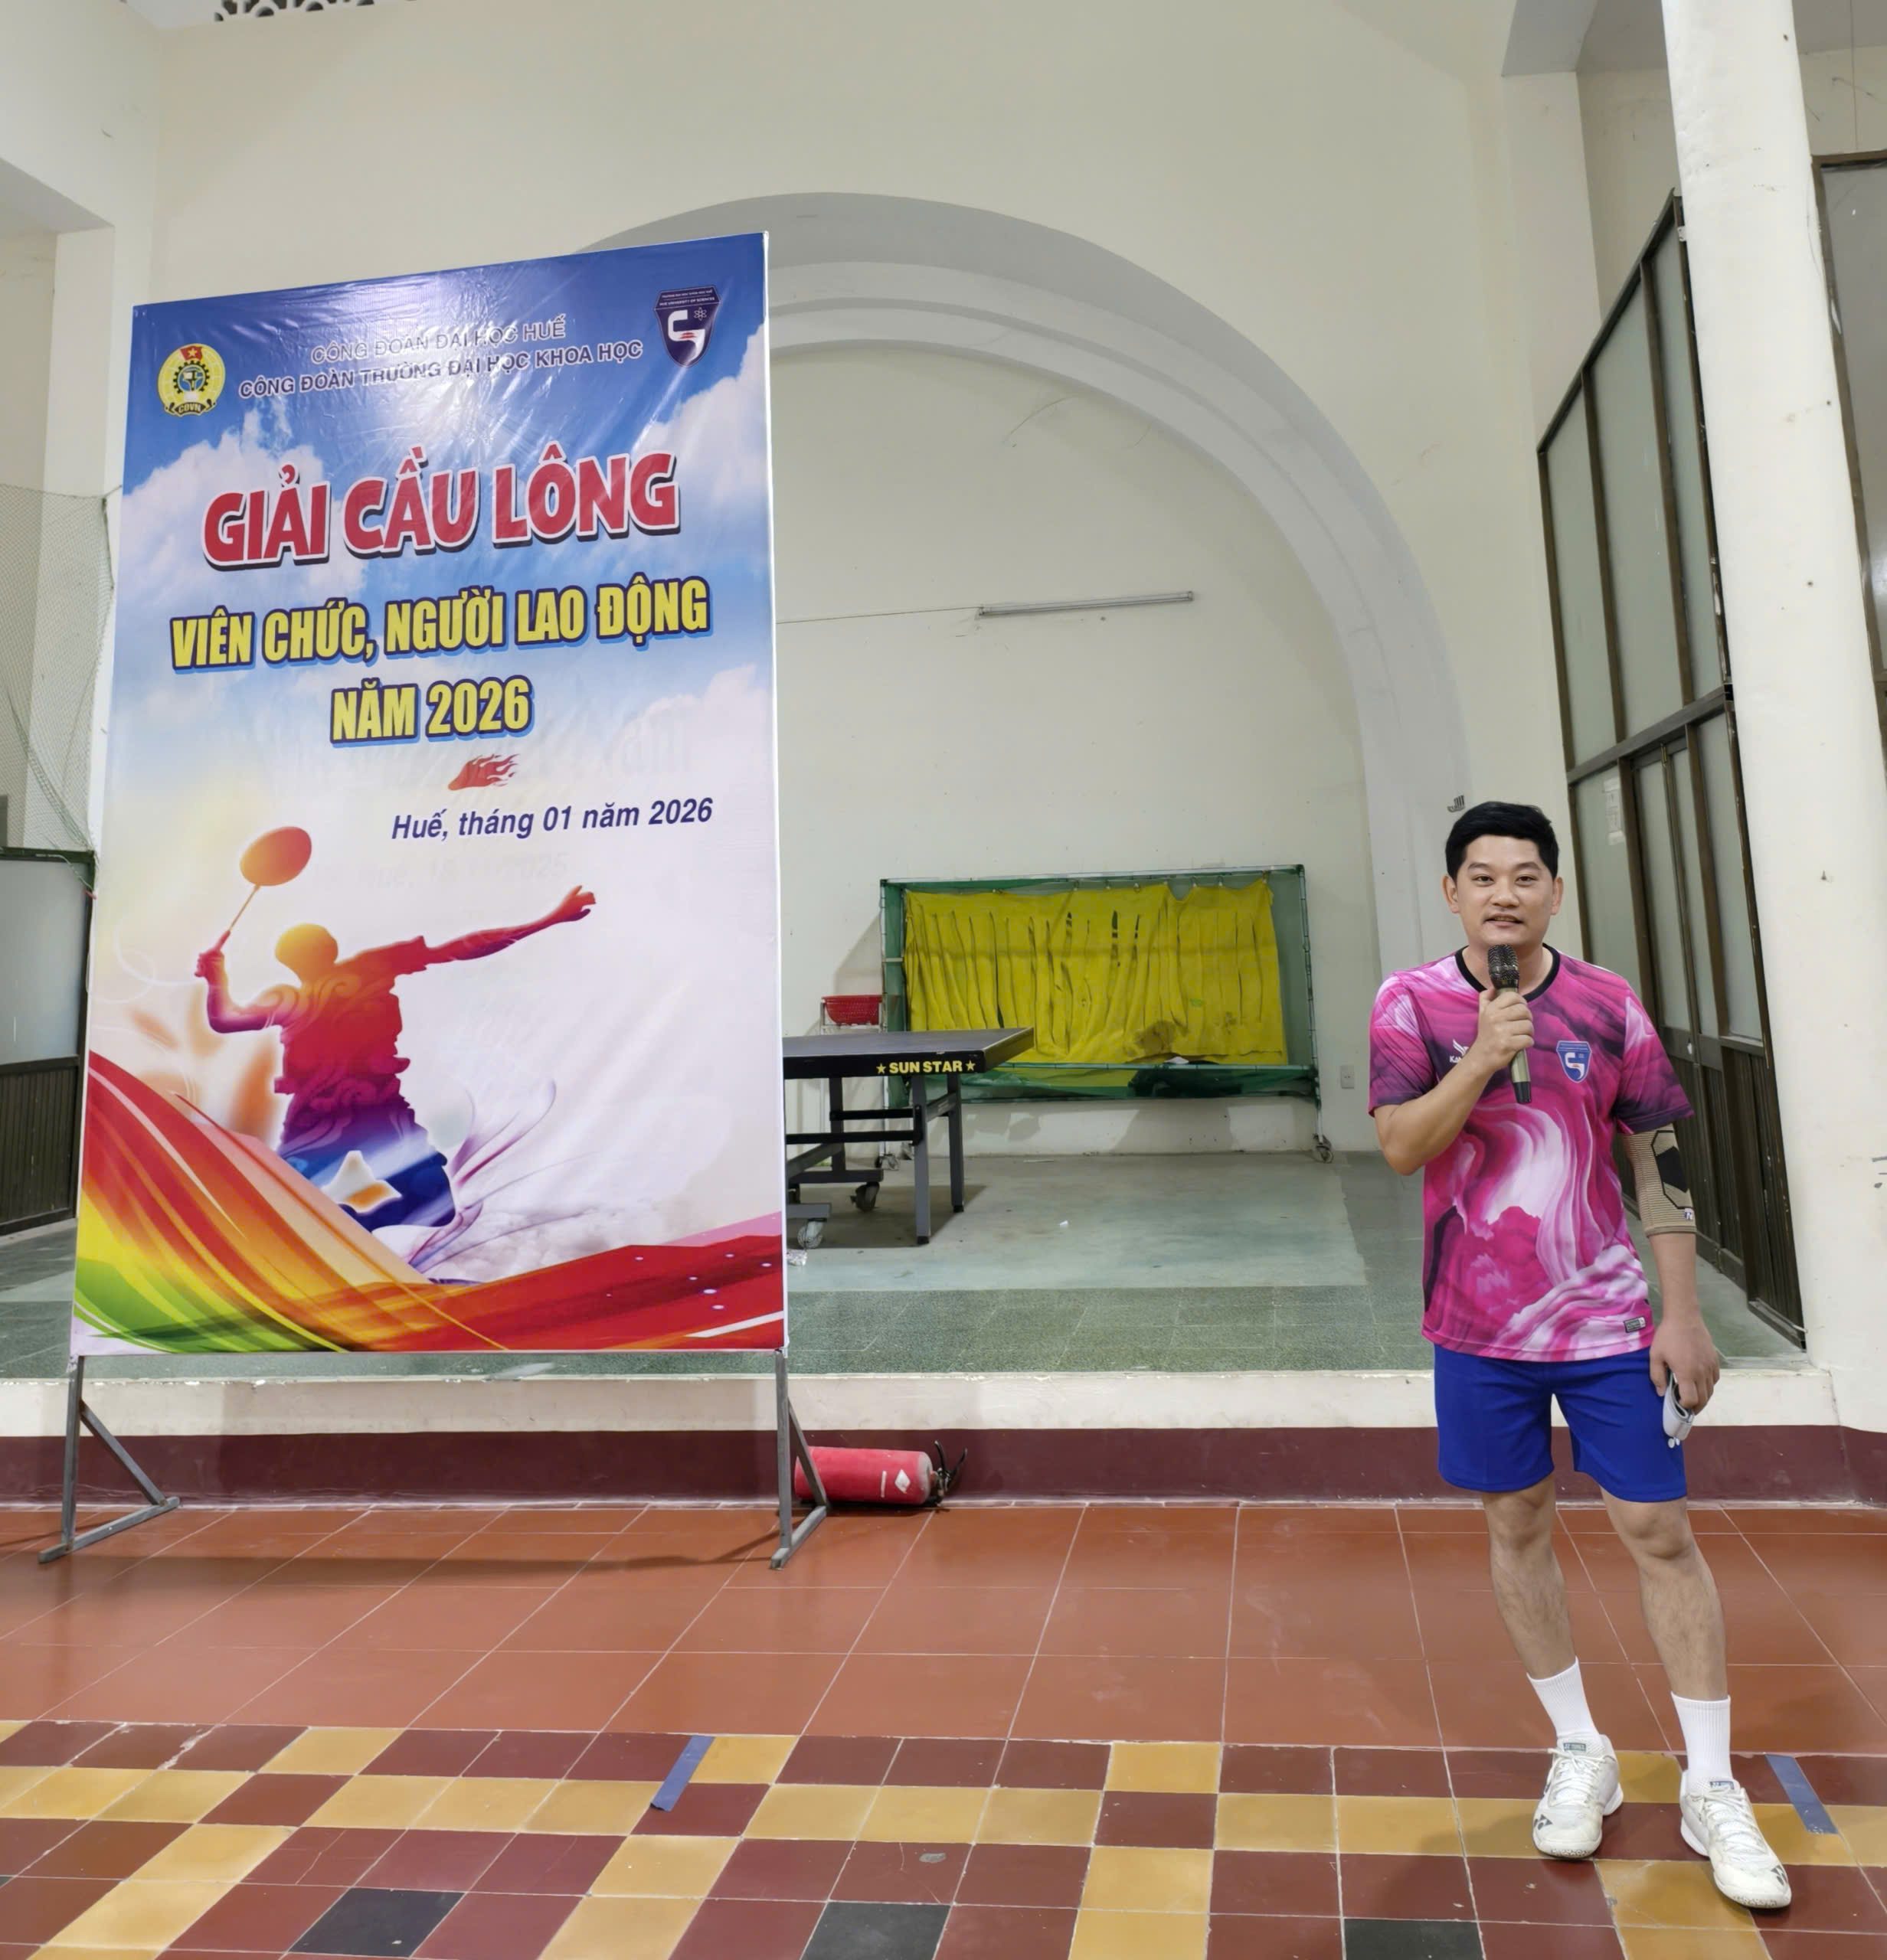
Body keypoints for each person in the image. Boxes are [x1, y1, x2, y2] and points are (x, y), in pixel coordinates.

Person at [1367, 802, 1789, 1911]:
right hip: (1475, 1327)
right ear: (1452, 893)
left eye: (1525, 876)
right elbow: (1401, 1146)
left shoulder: (1607, 1004)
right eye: (1481, 876)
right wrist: (1480, 1058)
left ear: (1555, 892)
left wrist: (1682, 1314)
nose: (1503, 894)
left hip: (1605, 1321)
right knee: (1516, 1523)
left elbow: (1660, 1163)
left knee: (1659, 1531)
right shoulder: (1410, 1003)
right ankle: (1579, 1748)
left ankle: (1710, 1783)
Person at [196, 886, 594, 1230]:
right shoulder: (293, 996)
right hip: (321, 1116)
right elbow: (225, 1021)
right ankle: (334, 1229)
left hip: (378, 1109)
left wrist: (546, 921)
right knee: (279, 1205)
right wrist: (216, 978)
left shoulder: (358, 973)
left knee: (437, 1210)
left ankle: (350, 1227)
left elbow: (460, 949)